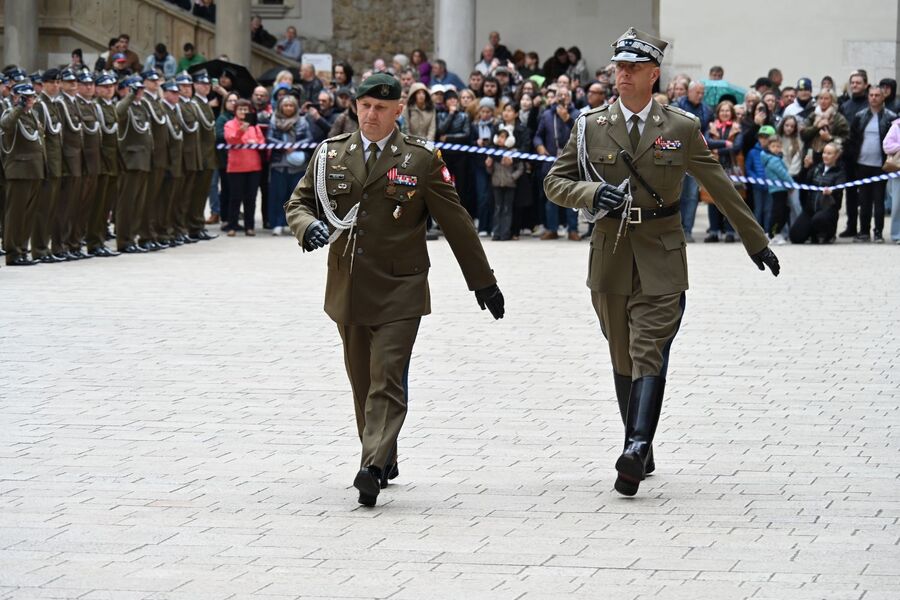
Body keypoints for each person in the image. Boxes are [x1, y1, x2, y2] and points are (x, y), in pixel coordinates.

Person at [544, 27, 778, 497]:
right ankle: (642, 445)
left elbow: (722, 185)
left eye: (632, 68)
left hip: (662, 252)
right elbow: (555, 182)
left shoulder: (680, 127)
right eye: (618, 67)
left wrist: (755, 241)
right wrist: (592, 193)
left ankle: (633, 446)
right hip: (609, 254)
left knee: (648, 347)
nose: (622, 75)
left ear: (654, 74)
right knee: (621, 352)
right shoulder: (590, 126)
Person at [284, 73, 504, 507]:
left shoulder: (420, 159)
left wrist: (483, 281)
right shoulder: (331, 154)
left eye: (381, 108)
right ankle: (387, 456)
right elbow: (299, 202)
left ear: (398, 111)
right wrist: (307, 226)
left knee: (387, 378)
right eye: (365, 105)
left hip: (401, 288)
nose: (371, 114)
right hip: (348, 287)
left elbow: (456, 221)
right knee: (363, 382)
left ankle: (370, 465)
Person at [0, 82, 45, 266]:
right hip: (19, 171)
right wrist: (19, 106)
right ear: (16, 97)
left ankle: (22, 249)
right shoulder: (11, 113)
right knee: (15, 214)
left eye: (32, 97)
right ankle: (13, 253)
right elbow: (6, 125)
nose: (30, 101)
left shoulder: (32, 114)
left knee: (27, 215)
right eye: (26, 97)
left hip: (34, 169)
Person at [845, 86, 897, 243]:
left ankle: (879, 232)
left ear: (883, 98)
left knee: (879, 199)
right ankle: (864, 231)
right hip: (862, 164)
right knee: (864, 200)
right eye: (871, 95)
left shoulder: (890, 117)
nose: (874, 98)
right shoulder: (859, 116)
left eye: (877, 95)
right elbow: (853, 139)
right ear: (868, 97)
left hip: (880, 165)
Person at [114, 75, 154, 254]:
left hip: (143, 160)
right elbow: (118, 113)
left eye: (141, 89)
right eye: (136, 89)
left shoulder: (142, 106)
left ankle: (134, 236)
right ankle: (124, 240)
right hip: (130, 161)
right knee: (127, 204)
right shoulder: (126, 105)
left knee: (138, 203)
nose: (140, 93)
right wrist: (130, 96)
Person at [534, 86, 580, 240]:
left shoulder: (577, 114)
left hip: (570, 161)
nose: (562, 97)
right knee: (550, 196)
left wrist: (567, 119)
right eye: (559, 94)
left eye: (565, 95)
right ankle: (551, 229)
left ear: (570, 97)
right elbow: (538, 136)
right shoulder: (547, 114)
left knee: (572, 194)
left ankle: (572, 230)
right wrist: (539, 146)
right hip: (550, 161)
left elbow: (581, 134)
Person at [53, 67, 87, 260]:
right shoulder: (61, 104)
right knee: (63, 206)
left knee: (74, 206)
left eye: (75, 81)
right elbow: (62, 136)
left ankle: (71, 244)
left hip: (78, 160)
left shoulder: (74, 102)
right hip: (68, 160)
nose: (73, 84)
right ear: (61, 84)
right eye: (68, 81)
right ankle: (59, 246)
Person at [267, 95, 313, 235]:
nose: (288, 108)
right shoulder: (274, 120)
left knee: (295, 197)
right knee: (277, 195)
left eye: (291, 105)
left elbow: (309, 138)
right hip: (279, 164)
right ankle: (277, 224)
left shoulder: (303, 121)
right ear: (281, 107)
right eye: (285, 105)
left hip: (298, 166)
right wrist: (283, 146)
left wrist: (295, 146)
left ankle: (295, 226)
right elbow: (269, 137)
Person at [87, 71, 121, 257]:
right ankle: (94, 241)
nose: (109, 90)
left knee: (106, 205)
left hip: (113, 161)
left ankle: (99, 239)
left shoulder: (111, 106)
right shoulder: (97, 107)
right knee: (98, 205)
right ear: (97, 89)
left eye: (111, 86)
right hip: (102, 161)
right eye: (105, 87)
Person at [136, 69, 170, 251]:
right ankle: (145, 235)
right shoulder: (144, 101)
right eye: (152, 81)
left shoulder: (156, 100)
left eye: (157, 81)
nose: (156, 83)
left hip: (160, 156)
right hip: (151, 155)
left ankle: (153, 232)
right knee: (147, 198)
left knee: (156, 198)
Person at [675, 81, 711, 241]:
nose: (700, 95)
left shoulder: (707, 110)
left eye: (702, 92)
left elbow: (708, 132)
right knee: (676, 194)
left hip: (695, 157)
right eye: (697, 92)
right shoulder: (676, 107)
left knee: (691, 196)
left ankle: (687, 229)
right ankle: (676, 228)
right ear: (688, 92)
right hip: (676, 157)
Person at [223, 99, 264, 236]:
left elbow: (262, 141)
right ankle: (232, 226)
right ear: (235, 111)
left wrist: (255, 142)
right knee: (235, 197)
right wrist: (242, 131)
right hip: (236, 167)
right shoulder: (229, 124)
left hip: (253, 166)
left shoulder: (254, 126)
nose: (243, 112)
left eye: (246, 109)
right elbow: (231, 139)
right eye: (240, 109)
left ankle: (249, 226)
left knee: (251, 198)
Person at [789, 142, 844, 244]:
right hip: (810, 209)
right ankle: (811, 233)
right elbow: (802, 182)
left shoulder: (840, 172)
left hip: (827, 209)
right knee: (795, 236)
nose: (825, 156)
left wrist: (832, 190)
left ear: (836, 156)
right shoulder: (817, 168)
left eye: (829, 153)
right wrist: (805, 168)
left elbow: (840, 186)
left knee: (819, 219)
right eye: (824, 153)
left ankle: (828, 235)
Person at [704, 100, 743, 243]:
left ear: (731, 113)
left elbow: (737, 147)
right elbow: (706, 143)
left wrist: (717, 150)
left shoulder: (737, 128)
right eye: (722, 111)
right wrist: (725, 143)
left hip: (731, 169)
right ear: (718, 113)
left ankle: (730, 231)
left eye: (727, 111)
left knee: (730, 201)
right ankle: (714, 230)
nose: (725, 113)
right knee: (712, 200)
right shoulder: (711, 127)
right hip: (713, 168)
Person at [189, 70, 219, 240]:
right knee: (195, 194)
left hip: (208, 155)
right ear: (195, 85)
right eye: (202, 84)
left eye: (208, 84)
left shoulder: (204, 103)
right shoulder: (195, 104)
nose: (206, 87)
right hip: (200, 155)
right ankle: (193, 226)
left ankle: (197, 225)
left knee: (201, 194)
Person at [74, 70, 102, 259]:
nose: (89, 86)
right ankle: (72, 244)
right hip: (80, 162)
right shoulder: (75, 105)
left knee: (89, 207)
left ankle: (80, 243)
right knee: (76, 206)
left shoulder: (92, 105)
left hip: (94, 162)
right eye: (85, 84)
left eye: (92, 83)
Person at [485, 126, 523, 241]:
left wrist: (512, 177)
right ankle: (496, 233)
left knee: (507, 209)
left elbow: (520, 168)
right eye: (499, 136)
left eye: (503, 137)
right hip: (496, 184)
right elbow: (489, 171)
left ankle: (505, 233)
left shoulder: (513, 152)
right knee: (497, 208)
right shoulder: (493, 152)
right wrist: (489, 165)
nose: (500, 139)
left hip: (510, 184)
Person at [761, 136, 794, 242]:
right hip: (778, 190)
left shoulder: (775, 158)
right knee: (778, 213)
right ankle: (773, 234)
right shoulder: (774, 160)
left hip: (780, 189)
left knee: (783, 211)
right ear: (768, 147)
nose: (776, 148)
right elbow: (783, 174)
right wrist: (792, 184)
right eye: (773, 146)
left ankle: (774, 233)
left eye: (778, 146)